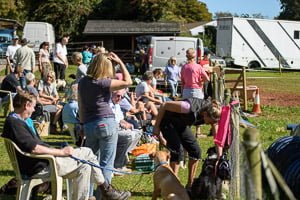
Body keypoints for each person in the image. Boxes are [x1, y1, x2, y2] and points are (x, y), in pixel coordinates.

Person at [1, 92, 131, 200]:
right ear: (26, 105)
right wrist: (61, 152)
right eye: (33, 107)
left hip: (41, 162)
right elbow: (34, 148)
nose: (34, 110)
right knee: (87, 153)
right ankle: (106, 189)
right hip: (42, 166)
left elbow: (34, 146)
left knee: (85, 166)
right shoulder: (15, 123)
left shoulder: (14, 120)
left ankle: (102, 192)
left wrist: (57, 150)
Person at [78, 52, 132, 194]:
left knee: (90, 162)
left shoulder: (82, 82)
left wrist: (82, 124)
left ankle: (87, 195)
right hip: (106, 122)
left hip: (89, 124)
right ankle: (102, 196)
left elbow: (81, 105)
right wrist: (120, 62)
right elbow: (128, 82)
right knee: (106, 164)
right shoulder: (104, 83)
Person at [152, 98, 221, 189]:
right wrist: (156, 127)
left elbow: (216, 136)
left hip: (182, 124)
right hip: (167, 122)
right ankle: (173, 185)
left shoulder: (212, 112)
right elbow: (164, 105)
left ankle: (190, 184)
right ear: (205, 114)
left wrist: (219, 155)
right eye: (210, 122)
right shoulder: (187, 107)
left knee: (196, 152)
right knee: (177, 150)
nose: (210, 124)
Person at [110, 90, 142, 172]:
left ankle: (123, 154)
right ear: (111, 94)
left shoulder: (117, 105)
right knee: (129, 136)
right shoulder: (108, 105)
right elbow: (111, 121)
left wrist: (127, 123)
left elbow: (120, 119)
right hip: (111, 129)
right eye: (118, 96)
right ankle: (117, 165)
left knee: (138, 132)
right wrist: (121, 124)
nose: (120, 98)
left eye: (122, 97)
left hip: (118, 128)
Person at [181, 48, 210, 138]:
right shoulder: (198, 67)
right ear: (195, 56)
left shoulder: (184, 67)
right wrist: (200, 81)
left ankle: (187, 131)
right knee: (199, 110)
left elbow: (182, 81)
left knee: (186, 111)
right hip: (197, 90)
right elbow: (207, 79)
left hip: (186, 91)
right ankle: (198, 132)